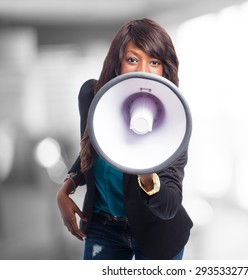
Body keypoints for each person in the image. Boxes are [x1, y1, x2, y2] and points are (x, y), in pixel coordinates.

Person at [56, 18, 193, 260]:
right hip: (103, 227)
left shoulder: (174, 117)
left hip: (155, 234)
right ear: (117, 62)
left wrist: (148, 177)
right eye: (132, 59)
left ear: (164, 68)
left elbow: (170, 205)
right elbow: (91, 148)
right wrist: (67, 187)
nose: (142, 70)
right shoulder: (93, 95)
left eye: (154, 62)